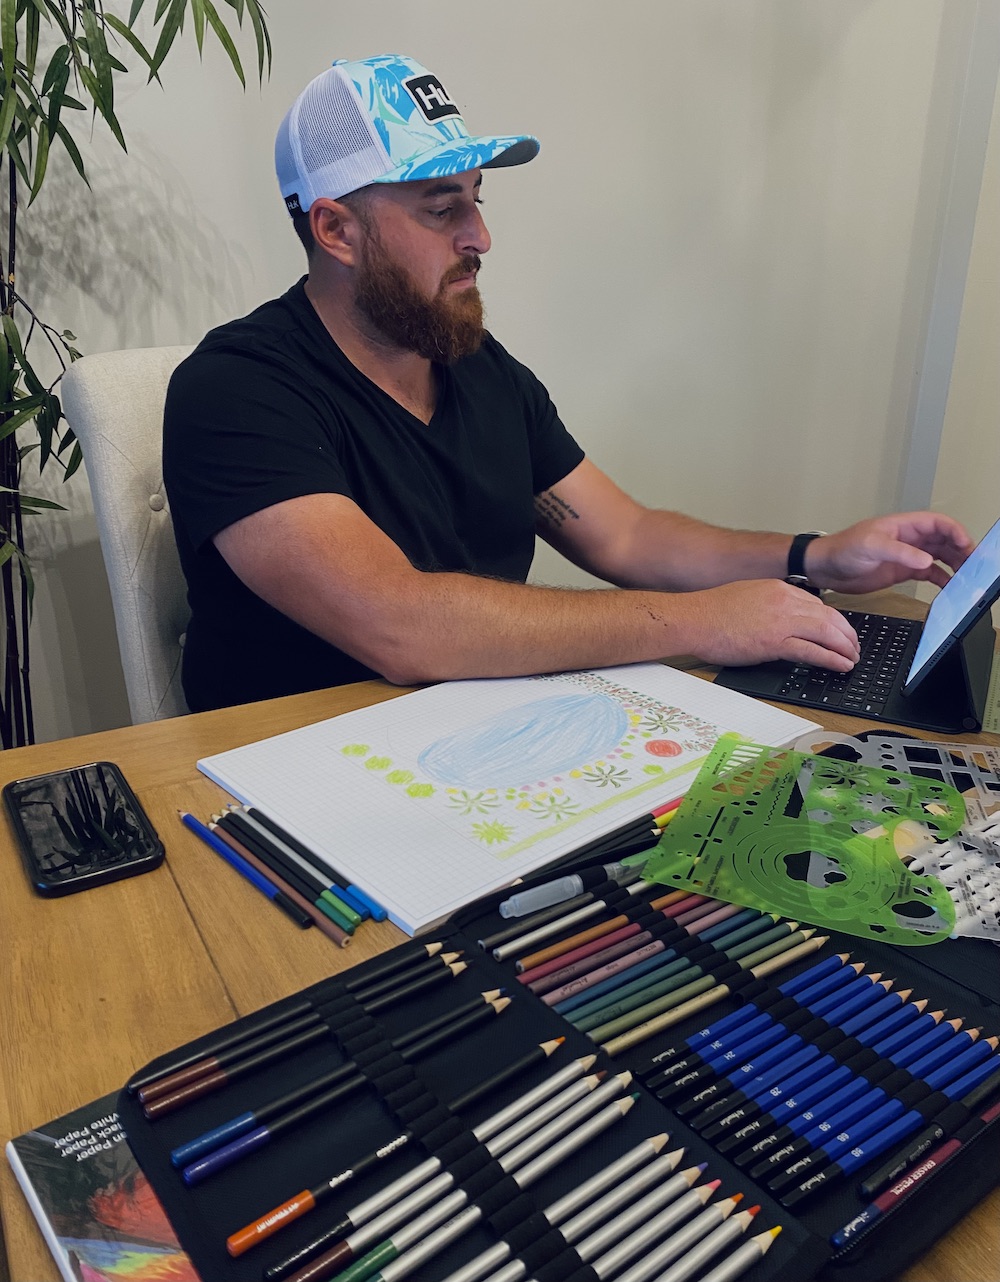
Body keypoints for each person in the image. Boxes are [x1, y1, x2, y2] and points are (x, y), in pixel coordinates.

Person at [163, 54, 972, 714]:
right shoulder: (236, 391)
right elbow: (400, 624)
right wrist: (706, 622)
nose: (481, 237)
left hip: (481, 743)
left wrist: (818, 557)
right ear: (336, 229)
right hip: (294, 789)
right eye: (443, 209)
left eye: (477, 202)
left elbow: (627, 536)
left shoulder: (476, 367)